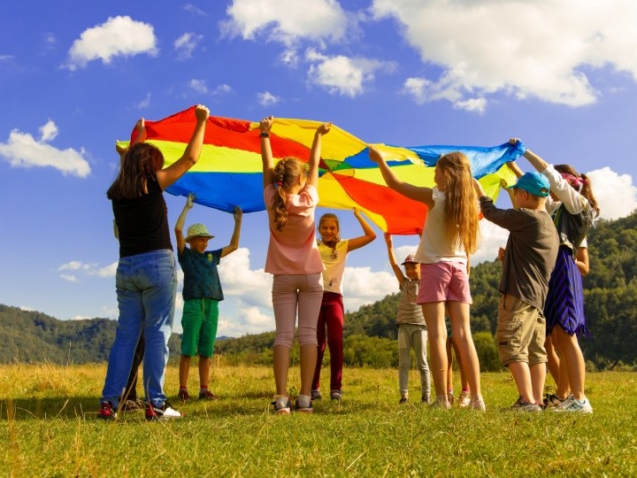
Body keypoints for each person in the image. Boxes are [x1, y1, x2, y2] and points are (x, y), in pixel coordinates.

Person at [99, 104, 210, 421]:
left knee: (125, 337)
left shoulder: (119, 191)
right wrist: (201, 122)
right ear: (149, 165)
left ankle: (109, 403)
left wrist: (141, 135)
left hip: (127, 269)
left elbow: (129, 164)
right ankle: (157, 404)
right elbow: (191, 158)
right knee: (158, 335)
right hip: (157, 267)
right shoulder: (153, 183)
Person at [369, 147, 486, 410]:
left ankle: (443, 399)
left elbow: (395, 183)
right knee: (464, 334)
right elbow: (479, 193)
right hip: (458, 268)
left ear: (447, 174)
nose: (434, 174)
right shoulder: (471, 204)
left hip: (434, 267)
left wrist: (380, 161)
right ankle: (477, 398)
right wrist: (473, 183)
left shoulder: (435, 197)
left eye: (437, 170)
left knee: (436, 334)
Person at [513, 139, 600, 413]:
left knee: (566, 336)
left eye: (554, 184)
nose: (549, 189)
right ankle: (570, 397)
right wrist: (512, 166)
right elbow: (537, 192)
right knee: (560, 338)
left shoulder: (576, 204)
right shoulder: (557, 208)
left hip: (563, 267)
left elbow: (548, 175)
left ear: (565, 184)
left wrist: (525, 151)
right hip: (554, 269)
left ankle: (579, 397)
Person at [260, 115, 331, 414]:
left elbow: (266, 169)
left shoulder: (271, 199)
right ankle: (304, 398)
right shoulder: (309, 200)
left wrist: (265, 135)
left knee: (284, 336)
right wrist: (319, 135)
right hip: (312, 276)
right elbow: (315, 165)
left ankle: (280, 398)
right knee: (309, 336)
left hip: (283, 278)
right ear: (300, 181)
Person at [475, 171, 559, 411]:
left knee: (511, 343)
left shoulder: (528, 217)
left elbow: (491, 213)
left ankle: (527, 400)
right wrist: (509, 257)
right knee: (535, 351)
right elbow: (533, 260)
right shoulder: (547, 224)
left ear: (523, 194)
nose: (514, 196)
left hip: (518, 293)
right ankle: (537, 400)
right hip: (536, 297)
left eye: (515, 192)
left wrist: (479, 191)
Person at [174, 193, 242, 402]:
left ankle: (204, 389)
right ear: (191, 241)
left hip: (212, 304)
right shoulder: (186, 256)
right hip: (193, 304)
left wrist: (238, 222)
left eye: (206, 240)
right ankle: (183, 389)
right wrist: (187, 208)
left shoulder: (212, 256)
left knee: (206, 350)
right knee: (188, 349)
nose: (204, 243)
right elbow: (177, 230)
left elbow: (234, 246)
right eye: (201, 239)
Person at [311, 209, 376, 402]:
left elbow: (371, 235)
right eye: (325, 227)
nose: (329, 231)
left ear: (338, 229)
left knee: (336, 342)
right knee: (316, 344)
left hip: (334, 299)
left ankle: (336, 389)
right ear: (319, 229)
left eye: (332, 227)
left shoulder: (344, 246)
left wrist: (358, 214)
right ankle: (314, 387)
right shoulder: (313, 245)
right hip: (314, 297)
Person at [384, 234, 431, 405]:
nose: (410, 270)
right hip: (403, 327)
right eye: (408, 268)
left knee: (422, 362)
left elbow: (428, 257)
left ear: (421, 267)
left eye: (413, 267)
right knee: (403, 363)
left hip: (420, 326)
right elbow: (394, 266)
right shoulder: (404, 283)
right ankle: (404, 396)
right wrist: (390, 246)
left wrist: (423, 238)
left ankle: (426, 395)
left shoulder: (426, 281)